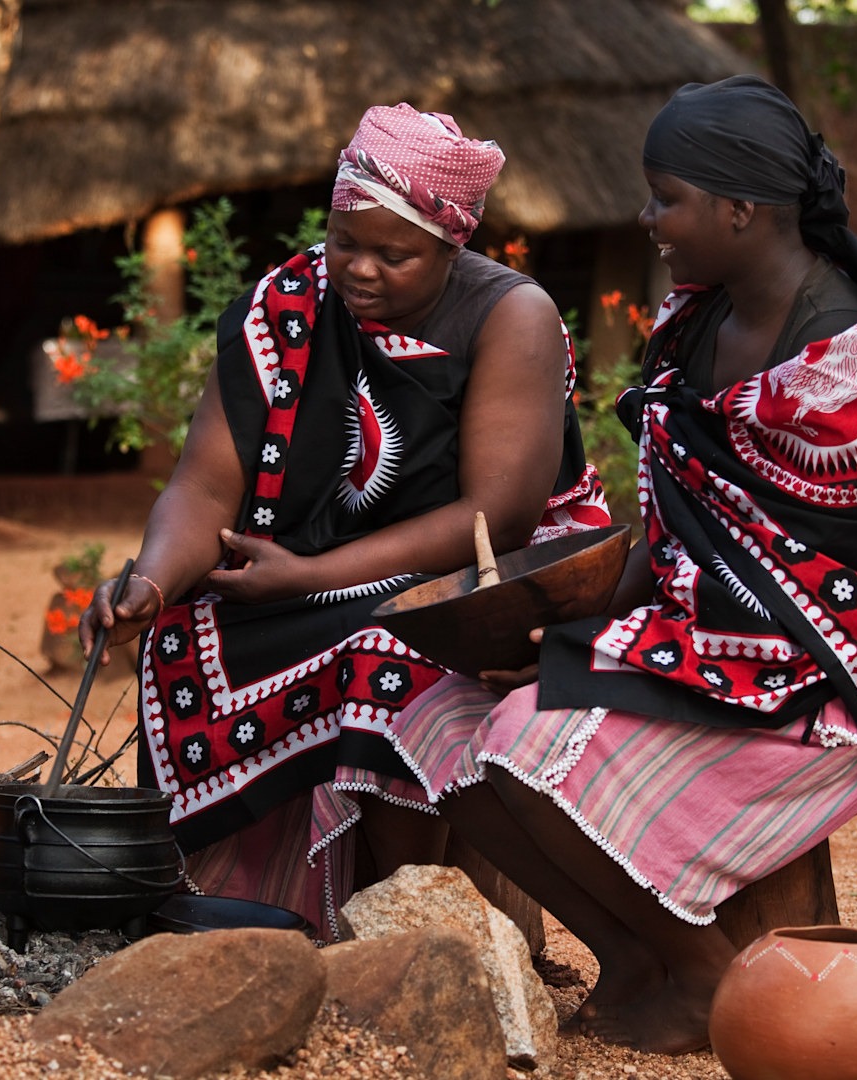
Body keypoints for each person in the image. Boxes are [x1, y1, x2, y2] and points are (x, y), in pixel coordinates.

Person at [392, 75, 857, 1054]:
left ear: (741, 208)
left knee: (528, 740)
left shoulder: (852, 353)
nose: (648, 217)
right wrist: (574, 640)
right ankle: (637, 957)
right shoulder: (696, 323)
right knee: (437, 712)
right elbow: (679, 531)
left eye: (667, 196)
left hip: (827, 673)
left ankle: (701, 976)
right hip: (706, 642)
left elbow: (806, 585)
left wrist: (598, 653)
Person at [79, 104, 609, 939]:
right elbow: (205, 488)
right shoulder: (288, 305)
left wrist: (309, 575)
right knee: (184, 636)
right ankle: (229, 898)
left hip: (474, 577)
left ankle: (399, 919)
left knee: (391, 654)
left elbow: (496, 515)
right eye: (343, 242)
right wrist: (146, 580)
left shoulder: (511, 315)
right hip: (315, 568)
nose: (358, 270)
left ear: (450, 244)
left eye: (393, 255)